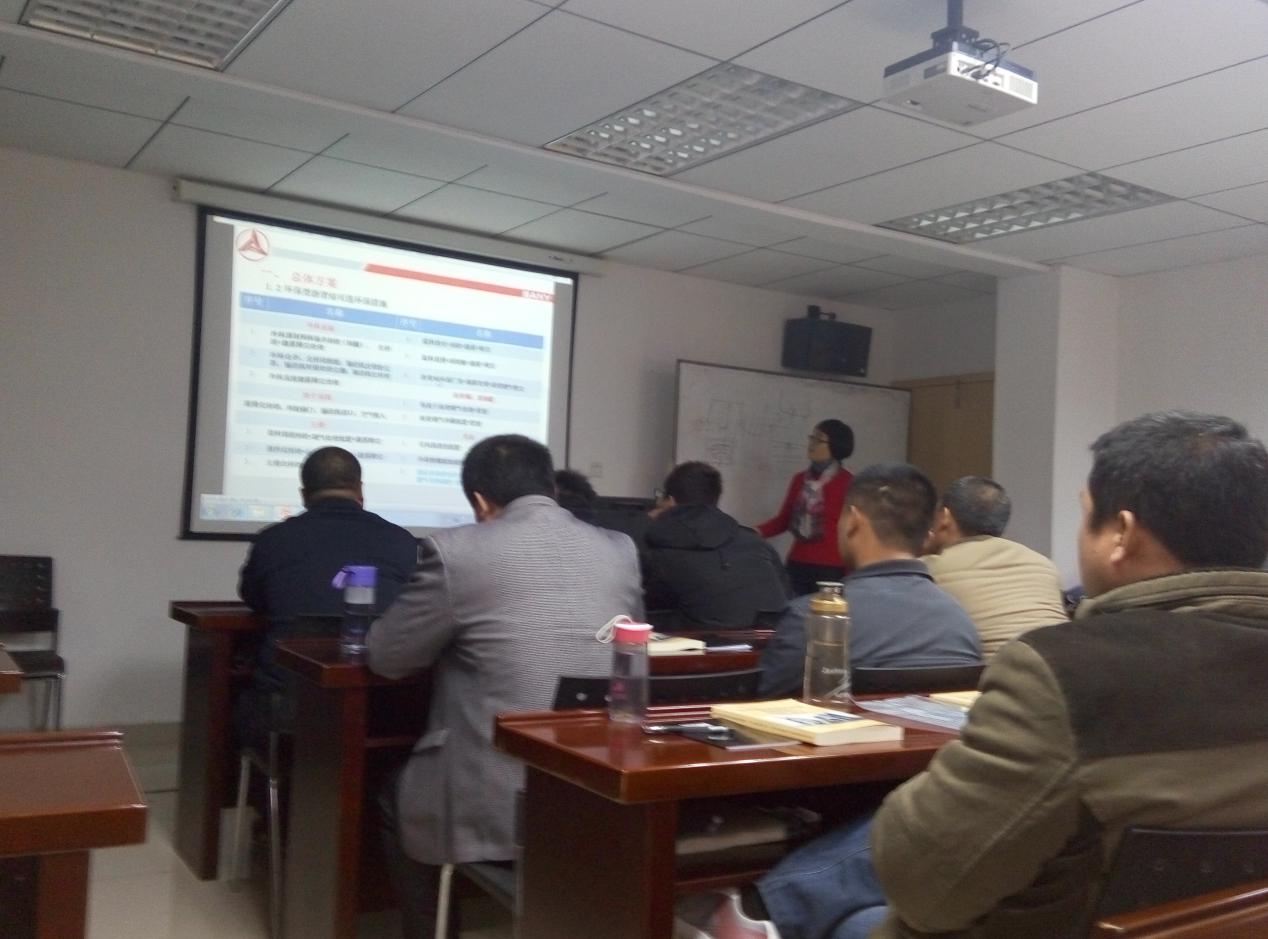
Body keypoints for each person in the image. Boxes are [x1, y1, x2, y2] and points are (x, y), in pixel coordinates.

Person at [678, 411, 1268, 939]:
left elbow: (923, 886)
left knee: (857, 913)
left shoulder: (1065, 673)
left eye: (1086, 516)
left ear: (1122, 535)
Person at [365, 434, 643, 939]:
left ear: (479, 501)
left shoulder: (454, 551)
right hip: (596, 791)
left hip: (499, 797)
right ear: (550, 487)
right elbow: (632, 648)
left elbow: (388, 659)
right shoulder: (619, 549)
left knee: (393, 794)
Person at [235, 446, 417, 748]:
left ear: (304, 494)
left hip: (287, 712)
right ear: (360, 490)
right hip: (380, 710)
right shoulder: (401, 541)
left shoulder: (272, 540)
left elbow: (254, 598)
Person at [758, 462, 982, 698]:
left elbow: (759, 707)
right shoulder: (960, 624)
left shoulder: (813, 621)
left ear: (853, 521)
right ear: (927, 536)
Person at [922, 476, 1068, 657]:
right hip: (1058, 669)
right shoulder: (1044, 565)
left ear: (945, 517)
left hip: (990, 673)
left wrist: (920, 550)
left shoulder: (927, 570)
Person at [642, 461, 792, 631]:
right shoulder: (756, 542)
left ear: (670, 501)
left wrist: (644, 523)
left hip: (702, 641)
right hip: (772, 641)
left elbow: (649, 601)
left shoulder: (663, 544)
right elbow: (786, 595)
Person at [757, 419, 855, 596]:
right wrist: (754, 532)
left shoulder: (849, 483)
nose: (811, 444)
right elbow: (784, 520)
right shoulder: (800, 479)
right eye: (811, 438)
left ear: (836, 446)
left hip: (832, 569)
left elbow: (853, 531)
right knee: (792, 610)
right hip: (798, 564)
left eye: (818, 439)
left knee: (825, 613)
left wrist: (851, 574)